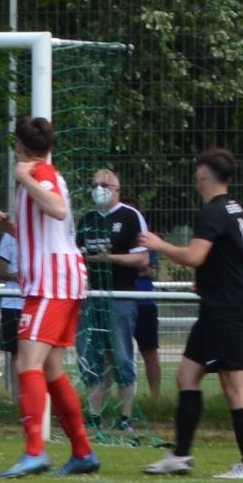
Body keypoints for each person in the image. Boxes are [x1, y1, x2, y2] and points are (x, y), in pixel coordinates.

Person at [140, 148, 243, 479]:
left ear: (204, 174)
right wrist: (213, 277)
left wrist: (159, 245)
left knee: (234, 386)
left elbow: (195, 256)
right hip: (218, 307)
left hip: (226, 311)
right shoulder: (234, 209)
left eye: (198, 170)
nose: (195, 175)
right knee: (186, 376)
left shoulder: (211, 212)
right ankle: (180, 456)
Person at [0, 117, 99, 478]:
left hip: (52, 284)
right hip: (59, 281)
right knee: (51, 370)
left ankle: (34, 451)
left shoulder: (39, 173)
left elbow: (59, 209)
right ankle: (82, 451)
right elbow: (47, 229)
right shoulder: (42, 174)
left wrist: (26, 177)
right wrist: (10, 228)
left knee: (27, 364)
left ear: (20, 148)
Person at [75, 168, 149, 431]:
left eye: (104, 185)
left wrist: (110, 258)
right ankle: (94, 416)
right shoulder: (87, 220)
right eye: (94, 184)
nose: (99, 189)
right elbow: (77, 254)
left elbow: (142, 258)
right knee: (89, 357)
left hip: (120, 297)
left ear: (117, 189)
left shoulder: (131, 216)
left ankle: (125, 418)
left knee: (122, 358)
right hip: (90, 297)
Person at [121, 196, 162, 402]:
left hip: (144, 303)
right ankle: (120, 400)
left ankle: (155, 400)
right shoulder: (115, 239)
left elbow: (146, 268)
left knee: (150, 353)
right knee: (116, 354)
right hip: (121, 302)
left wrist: (123, 265)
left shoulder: (146, 240)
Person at [0, 233, 23, 387]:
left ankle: (40, 396)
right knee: (16, 352)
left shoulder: (44, 232)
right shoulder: (8, 236)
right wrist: (17, 276)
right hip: (13, 304)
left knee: (41, 353)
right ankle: (16, 396)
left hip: (38, 300)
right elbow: (1, 272)